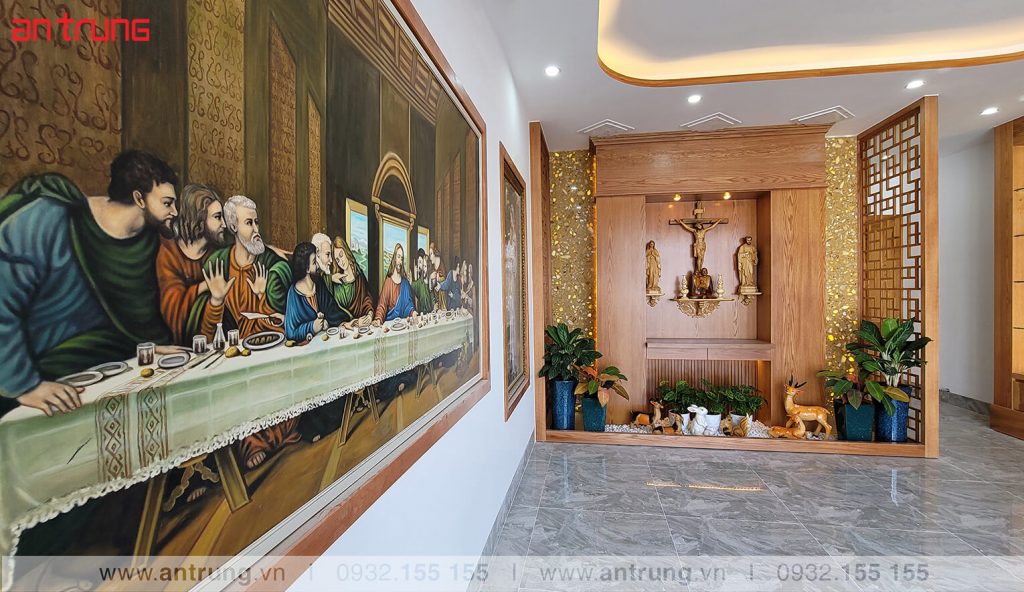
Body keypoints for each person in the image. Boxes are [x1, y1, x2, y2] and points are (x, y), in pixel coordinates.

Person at [0, 150, 181, 416]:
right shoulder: (47, 217)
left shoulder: (145, 242)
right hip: (33, 381)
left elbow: (127, 317)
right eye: (167, 203)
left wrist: (146, 347)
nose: (174, 211)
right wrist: (25, 385)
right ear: (139, 198)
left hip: (98, 376)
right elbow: (3, 303)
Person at [200, 195, 290, 340]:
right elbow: (206, 335)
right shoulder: (217, 264)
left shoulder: (273, 267)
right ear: (233, 227)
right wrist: (216, 301)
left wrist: (262, 297)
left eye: (256, 222)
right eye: (249, 223)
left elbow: (286, 327)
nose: (256, 229)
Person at [157, 184, 226, 345]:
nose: (224, 224)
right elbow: (172, 311)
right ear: (199, 220)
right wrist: (203, 287)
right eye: (217, 217)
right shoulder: (169, 253)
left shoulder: (216, 255)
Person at [284, 242, 345, 341]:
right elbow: (290, 332)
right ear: (306, 269)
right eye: (314, 262)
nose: (318, 265)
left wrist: (328, 322)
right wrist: (312, 327)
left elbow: (333, 311)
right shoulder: (294, 294)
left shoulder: (319, 284)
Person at [328, 236, 374, 325]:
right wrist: (331, 278)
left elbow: (367, 299)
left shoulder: (359, 277)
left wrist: (369, 315)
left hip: (361, 325)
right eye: (337, 260)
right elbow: (333, 310)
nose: (341, 262)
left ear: (346, 251)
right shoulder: (335, 281)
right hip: (343, 327)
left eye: (341, 255)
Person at [373, 243, 415, 323]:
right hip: (391, 324)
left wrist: (413, 312)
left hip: (404, 323)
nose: (400, 261)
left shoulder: (405, 282)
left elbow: (409, 304)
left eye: (402, 258)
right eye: (398, 257)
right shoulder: (388, 282)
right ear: (394, 258)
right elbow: (382, 305)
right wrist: (378, 319)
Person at [410, 248, 434, 314]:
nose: (421, 267)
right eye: (419, 263)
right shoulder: (419, 280)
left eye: (425, 266)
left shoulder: (430, 279)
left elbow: (433, 297)